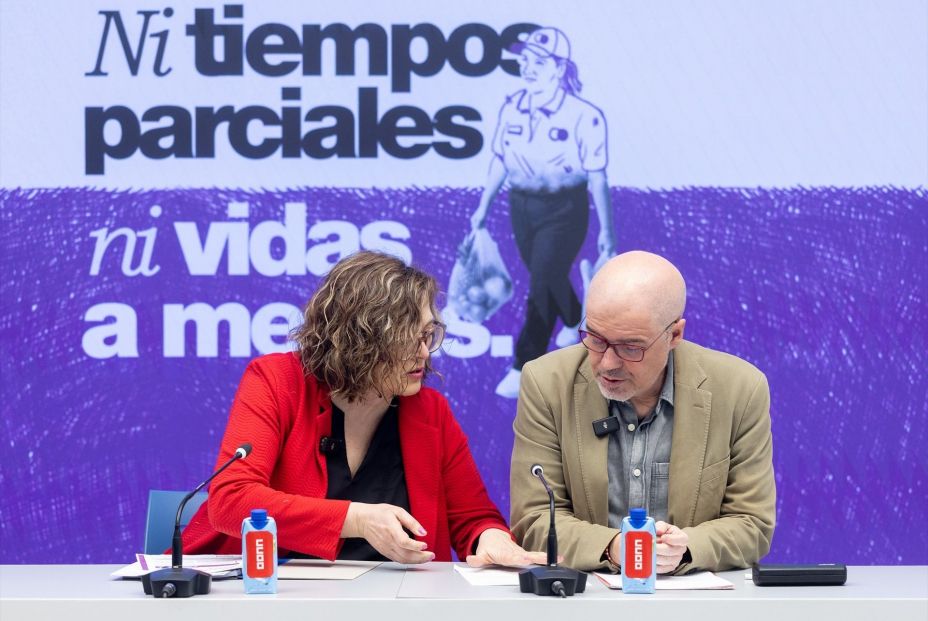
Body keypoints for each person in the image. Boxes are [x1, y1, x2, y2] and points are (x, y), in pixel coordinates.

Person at [182, 251, 546, 567]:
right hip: (272, 597)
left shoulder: (431, 411)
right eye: (407, 339)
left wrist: (491, 539)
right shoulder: (276, 380)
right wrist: (356, 519)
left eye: (428, 335)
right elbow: (231, 501)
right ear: (360, 339)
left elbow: (472, 517)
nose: (424, 352)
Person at [510, 251, 776, 573]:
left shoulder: (739, 389)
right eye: (594, 338)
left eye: (630, 348)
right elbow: (534, 519)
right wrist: (613, 547)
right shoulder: (547, 382)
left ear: (674, 335)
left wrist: (686, 548)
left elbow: (752, 523)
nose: (607, 363)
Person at [470, 26, 617, 399]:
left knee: (541, 283)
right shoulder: (512, 107)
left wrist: (606, 231)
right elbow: (499, 163)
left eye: (538, 62)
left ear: (558, 68)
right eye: (524, 61)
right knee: (546, 277)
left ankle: (523, 365)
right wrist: (482, 209)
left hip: (565, 209)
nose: (528, 68)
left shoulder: (584, 115)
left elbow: (598, 177)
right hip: (522, 207)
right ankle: (575, 320)